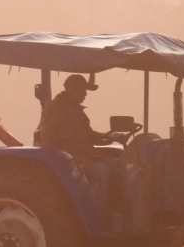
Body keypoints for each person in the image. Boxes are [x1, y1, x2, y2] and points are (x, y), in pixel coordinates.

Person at [40, 74, 127, 205]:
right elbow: (49, 141)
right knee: (101, 171)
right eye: (82, 90)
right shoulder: (56, 109)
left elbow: (88, 135)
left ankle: (119, 207)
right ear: (71, 89)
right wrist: (75, 156)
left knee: (120, 165)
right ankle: (96, 212)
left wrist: (110, 136)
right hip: (69, 160)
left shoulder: (76, 110)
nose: (85, 94)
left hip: (84, 156)